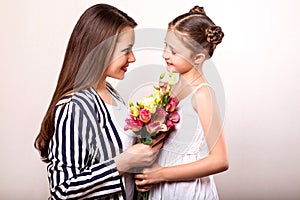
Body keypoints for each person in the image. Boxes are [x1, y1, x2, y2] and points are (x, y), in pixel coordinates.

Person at [34, 4, 165, 200]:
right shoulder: (75, 106)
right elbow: (62, 191)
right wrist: (123, 163)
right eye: (126, 50)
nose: (133, 58)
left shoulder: (112, 94)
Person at [135, 6, 229, 200]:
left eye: (174, 51)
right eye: (166, 46)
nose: (165, 54)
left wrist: (159, 174)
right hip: (161, 182)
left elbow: (220, 160)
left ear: (198, 57)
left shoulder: (202, 94)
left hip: (184, 188)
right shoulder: (173, 87)